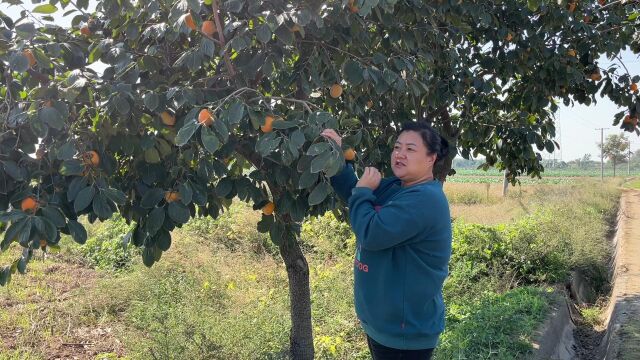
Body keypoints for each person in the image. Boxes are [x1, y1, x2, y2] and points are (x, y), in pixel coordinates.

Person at [321, 122, 452, 360]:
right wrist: (339, 157)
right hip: (383, 326)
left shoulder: (425, 199)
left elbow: (370, 232)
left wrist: (362, 192)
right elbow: (355, 192)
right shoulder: (396, 186)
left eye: (411, 149)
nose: (400, 154)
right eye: (397, 147)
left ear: (431, 158)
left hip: (404, 335)